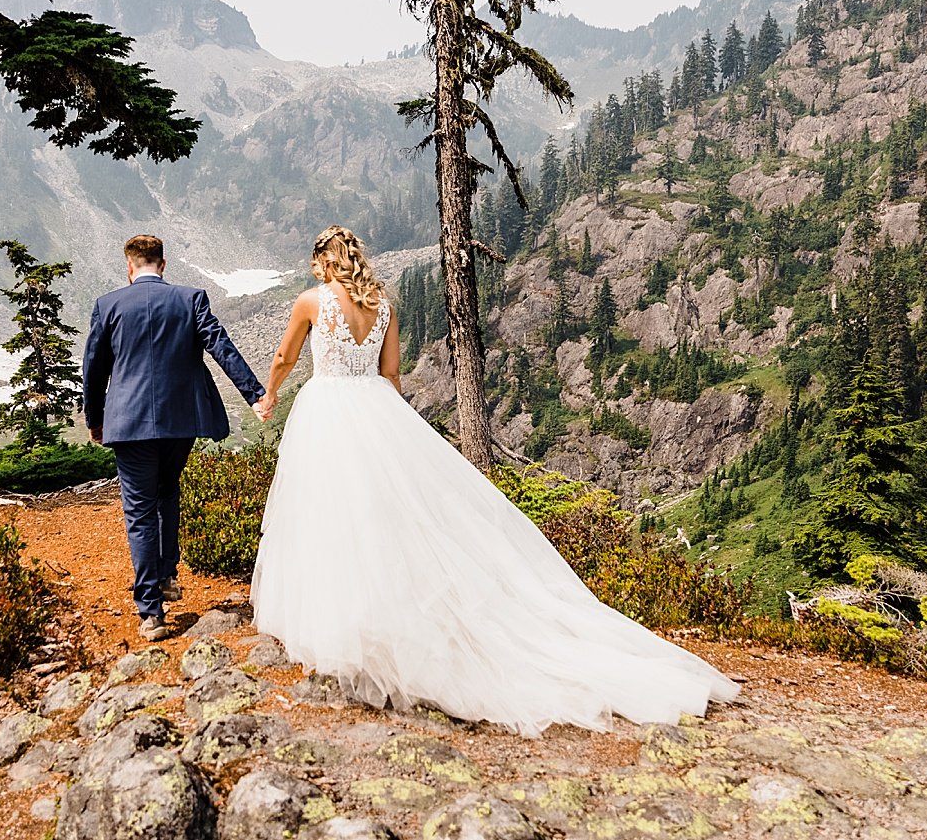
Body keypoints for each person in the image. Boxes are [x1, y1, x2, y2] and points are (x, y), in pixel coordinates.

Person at [250, 225, 739, 732]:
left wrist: (270, 396)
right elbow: (392, 373)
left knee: (334, 514)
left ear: (324, 263)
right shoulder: (384, 307)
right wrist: (398, 433)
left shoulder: (311, 302)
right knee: (393, 520)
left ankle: (345, 625)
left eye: (317, 265)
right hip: (377, 407)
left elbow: (285, 357)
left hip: (328, 409)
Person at [83, 234, 266, 640]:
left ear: (129, 267)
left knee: (140, 510)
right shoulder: (191, 299)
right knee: (167, 491)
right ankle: (166, 575)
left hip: (129, 424)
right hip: (180, 421)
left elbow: (94, 369)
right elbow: (221, 346)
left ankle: (151, 610)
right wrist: (254, 393)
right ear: (163, 265)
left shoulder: (109, 305)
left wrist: (95, 418)